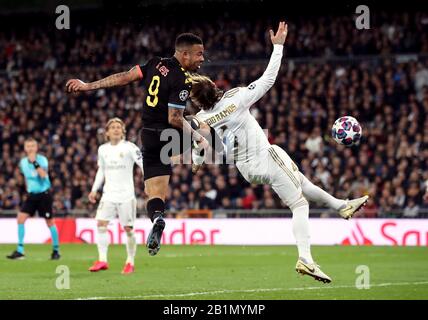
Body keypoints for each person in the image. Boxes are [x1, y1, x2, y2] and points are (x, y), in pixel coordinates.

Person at [189, 22, 369, 283]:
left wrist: (196, 162)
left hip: (246, 169)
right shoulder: (236, 98)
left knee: (300, 183)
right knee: (299, 203)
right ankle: (306, 259)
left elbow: (198, 141)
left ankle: (341, 206)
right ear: (215, 87)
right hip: (265, 155)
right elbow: (269, 78)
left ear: (198, 101)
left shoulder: (203, 117)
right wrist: (278, 47)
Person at [66, 33, 208, 256]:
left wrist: (87, 86)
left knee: (155, 196)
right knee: (204, 124)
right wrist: (198, 139)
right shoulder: (183, 80)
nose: (202, 58)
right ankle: (200, 151)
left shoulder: (154, 63)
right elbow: (175, 118)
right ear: (184, 54)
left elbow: (124, 77)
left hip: (148, 137)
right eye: (199, 54)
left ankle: (158, 219)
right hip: (168, 136)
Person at [88, 118, 144, 274]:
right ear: (107, 132)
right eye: (112, 127)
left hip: (126, 195)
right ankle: (102, 260)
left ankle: (130, 262)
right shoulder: (102, 150)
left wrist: (149, 183)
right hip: (108, 195)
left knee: (128, 229)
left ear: (123, 131)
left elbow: (142, 164)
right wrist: (94, 190)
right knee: (101, 224)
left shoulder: (130, 147)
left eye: (119, 127)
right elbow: (101, 171)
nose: (116, 129)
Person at [7, 138, 60, 260]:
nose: (30, 148)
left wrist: (34, 162)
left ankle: (56, 250)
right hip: (32, 195)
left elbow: (43, 175)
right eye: (28, 146)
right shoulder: (23, 162)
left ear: (36, 148)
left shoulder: (42, 160)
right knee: (20, 218)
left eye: (32, 146)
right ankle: (20, 251)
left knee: (50, 222)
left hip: (44, 194)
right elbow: (26, 178)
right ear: (25, 148)